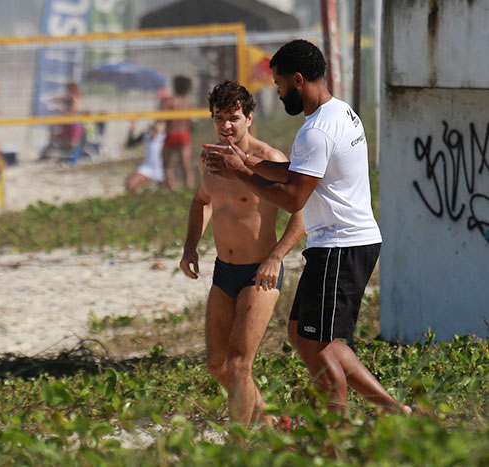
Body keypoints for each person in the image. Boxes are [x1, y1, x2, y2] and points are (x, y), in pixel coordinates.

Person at [203, 40, 412, 416]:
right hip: (340, 244)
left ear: (297, 80)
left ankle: (337, 431)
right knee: (301, 334)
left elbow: (293, 198)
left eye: (280, 84)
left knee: (321, 345)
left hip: (340, 244)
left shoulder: (315, 130)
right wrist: (248, 162)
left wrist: (242, 174)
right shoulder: (340, 113)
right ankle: (392, 411)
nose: (279, 92)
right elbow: (298, 173)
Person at [180, 80, 304, 426]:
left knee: (238, 365)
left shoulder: (270, 160)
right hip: (224, 272)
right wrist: (190, 247)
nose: (226, 126)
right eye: (219, 118)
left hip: (259, 273)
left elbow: (301, 213)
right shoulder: (211, 160)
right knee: (218, 366)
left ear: (250, 117)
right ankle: (271, 422)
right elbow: (201, 202)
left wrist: (276, 257)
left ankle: (239, 447)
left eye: (234, 117)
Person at [162, 75, 195, 189]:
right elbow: (190, 122)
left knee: (166, 164)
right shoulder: (188, 103)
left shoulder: (169, 102)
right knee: (186, 166)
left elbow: (162, 119)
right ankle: (189, 188)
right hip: (183, 134)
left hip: (171, 133)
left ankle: (170, 188)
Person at [124, 120, 166, 193]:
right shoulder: (146, 135)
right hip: (147, 168)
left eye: (155, 130)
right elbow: (130, 144)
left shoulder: (164, 137)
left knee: (168, 190)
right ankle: (138, 202)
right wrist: (132, 128)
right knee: (130, 185)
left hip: (162, 168)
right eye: (151, 129)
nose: (152, 132)